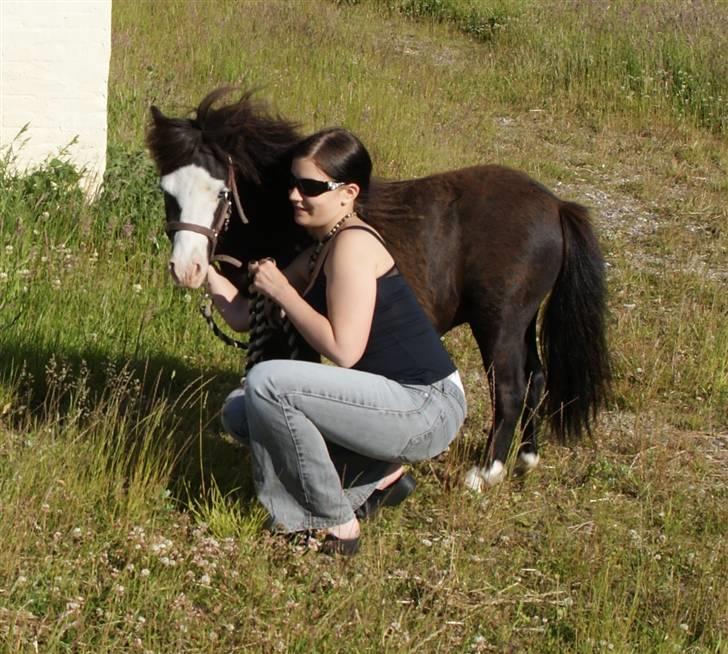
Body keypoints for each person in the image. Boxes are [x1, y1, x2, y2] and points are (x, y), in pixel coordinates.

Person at [206, 128, 466, 555]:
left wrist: (284, 292)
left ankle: (331, 522)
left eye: (310, 187)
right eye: (292, 183)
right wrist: (207, 273)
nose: (294, 195)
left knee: (268, 383)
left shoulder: (352, 246)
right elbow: (241, 317)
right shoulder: (320, 248)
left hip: (426, 405)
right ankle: (378, 475)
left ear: (348, 193)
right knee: (241, 410)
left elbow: (344, 350)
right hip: (391, 403)